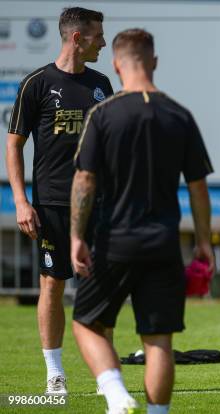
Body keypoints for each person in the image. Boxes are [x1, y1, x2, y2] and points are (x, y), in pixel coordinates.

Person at [70, 28, 215, 414]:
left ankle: (116, 397)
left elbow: (84, 180)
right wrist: (205, 242)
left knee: (85, 324)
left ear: (117, 65)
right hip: (164, 244)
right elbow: (198, 188)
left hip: (115, 240)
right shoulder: (179, 115)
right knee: (158, 341)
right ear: (154, 62)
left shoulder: (103, 114)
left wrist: (75, 236)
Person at [5, 7, 113, 394]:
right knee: (52, 284)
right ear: (77, 38)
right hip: (50, 204)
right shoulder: (36, 83)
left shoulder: (102, 84)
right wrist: (20, 201)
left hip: (96, 205)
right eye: (98, 35)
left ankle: (106, 375)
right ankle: (55, 373)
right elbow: (14, 145)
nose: (103, 41)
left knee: (101, 285)